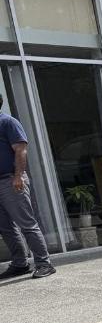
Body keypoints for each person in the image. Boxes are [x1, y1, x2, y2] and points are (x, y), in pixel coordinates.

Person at [0, 95, 55, 279]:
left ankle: (44, 263)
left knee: (27, 224)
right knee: (6, 227)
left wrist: (18, 176)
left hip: (11, 180)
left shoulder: (8, 122)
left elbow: (21, 149)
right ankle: (20, 264)